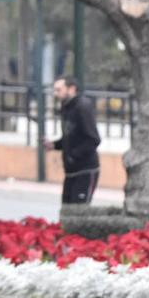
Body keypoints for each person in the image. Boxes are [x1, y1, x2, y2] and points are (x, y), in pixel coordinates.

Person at [51, 76, 101, 205]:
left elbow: (93, 139)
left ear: (71, 89)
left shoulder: (83, 107)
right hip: (70, 171)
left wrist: (74, 155)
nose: (55, 94)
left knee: (78, 211)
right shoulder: (66, 107)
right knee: (66, 210)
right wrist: (54, 145)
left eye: (59, 90)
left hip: (85, 169)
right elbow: (70, 136)